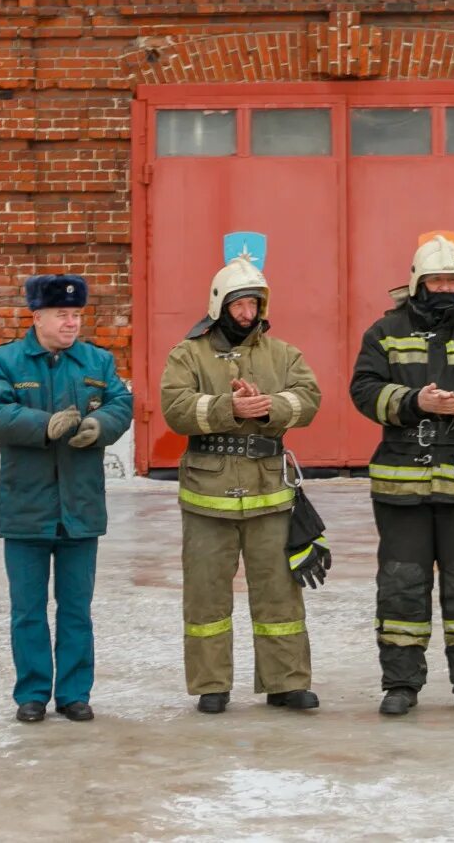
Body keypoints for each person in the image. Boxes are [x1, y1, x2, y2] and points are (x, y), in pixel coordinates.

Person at [349, 234, 454, 716]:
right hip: (402, 483)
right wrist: (412, 402)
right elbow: (363, 389)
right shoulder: (384, 333)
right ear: (417, 282)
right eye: (436, 279)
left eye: (452, 280)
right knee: (402, 583)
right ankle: (401, 685)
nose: (444, 287)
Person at [159, 245, 322, 713]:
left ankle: (286, 682)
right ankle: (212, 684)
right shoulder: (187, 355)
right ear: (219, 306)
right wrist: (229, 408)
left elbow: (309, 397)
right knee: (207, 593)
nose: (247, 313)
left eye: (254, 304)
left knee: (279, 593)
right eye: (238, 305)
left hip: (269, 491)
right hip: (207, 496)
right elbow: (174, 408)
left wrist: (269, 405)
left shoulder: (283, 353)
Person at [0, 274, 133, 723]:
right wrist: (44, 426)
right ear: (37, 316)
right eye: (62, 315)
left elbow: (120, 404)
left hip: (80, 507)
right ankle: (31, 694)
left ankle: (74, 693)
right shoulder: (5, 362)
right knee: (27, 610)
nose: (71, 323)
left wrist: (100, 426)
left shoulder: (97, 362)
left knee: (76, 609)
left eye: (77, 315)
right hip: (26, 507)